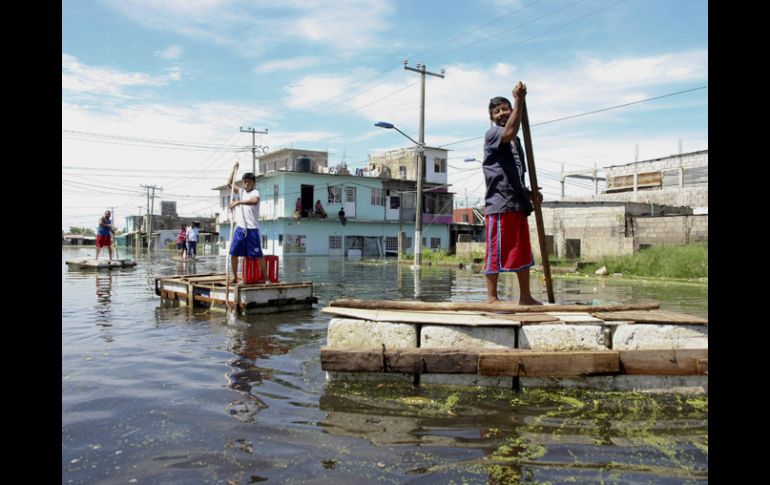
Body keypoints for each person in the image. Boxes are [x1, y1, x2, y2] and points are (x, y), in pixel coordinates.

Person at [482, 81, 542, 305]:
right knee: (496, 251)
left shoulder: (516, 142)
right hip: (499, 203)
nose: (501, 114)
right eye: (496, 112)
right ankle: (491, 297)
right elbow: (509, 131)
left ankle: (525, 297)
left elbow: (515, 174)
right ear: (492, 118)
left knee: (522, 251)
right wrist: (518, 100)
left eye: (505, 109)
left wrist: (528, 193)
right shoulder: (494, 134)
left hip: (516, 203)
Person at [227, 171, 266, 284]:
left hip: (252, 229)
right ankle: (235, 276)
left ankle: (266, 278)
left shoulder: (255, 192)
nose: (246, 184)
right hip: (240, 229)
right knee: (234, 254)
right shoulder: (241, 191)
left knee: (258, 255)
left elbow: (254, 201)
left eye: (249, 182)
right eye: (245, 181)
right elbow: (229, 184)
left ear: (253, 183)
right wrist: (234, 170)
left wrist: (238, 202)